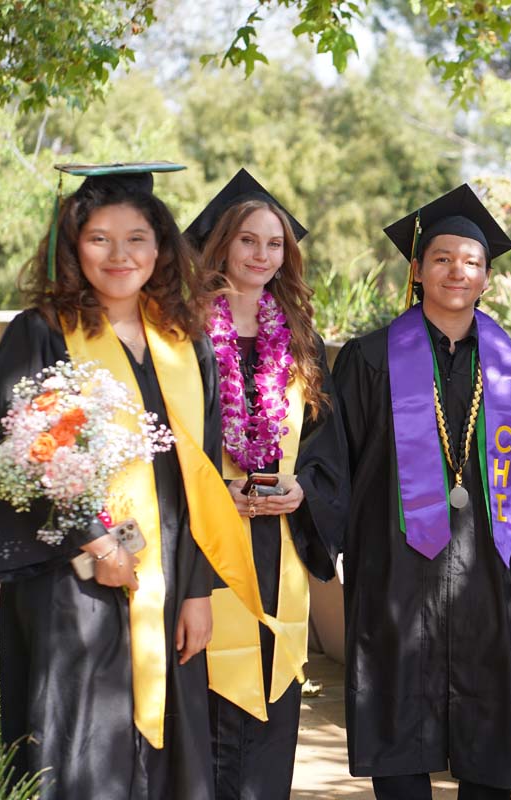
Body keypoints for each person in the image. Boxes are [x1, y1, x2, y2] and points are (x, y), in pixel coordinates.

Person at [0, 162, 265, 799]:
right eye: (99, 239)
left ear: (160, 250)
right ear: (74, 248)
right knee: (82, 743)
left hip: (168, 576)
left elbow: (200, 479)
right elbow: (21, 456)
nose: (119, 255)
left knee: (169, 757)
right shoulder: (41, 333)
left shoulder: (184, 342)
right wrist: (98, 544)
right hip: (73, 581)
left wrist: (196, 592)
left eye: (136, 239)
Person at [329, 184, 511, 800]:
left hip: (486, 568)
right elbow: (338, 458)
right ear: (417, 270)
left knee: (488, 712)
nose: (458, 271)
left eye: (471, 261)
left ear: (487, 277)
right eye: (442, 258)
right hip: (394, 565)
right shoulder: (369, 359)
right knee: (397, 703)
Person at [185, 168, 343, 800]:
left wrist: (304, 490)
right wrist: (215, 492)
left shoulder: (301, 339)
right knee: (208, 695)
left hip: (279, 540)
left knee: (273, 685)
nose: (261, 255)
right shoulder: (185, 336)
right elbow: (171, 436)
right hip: (208, 539)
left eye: (274, 244)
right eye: (247, 240)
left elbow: (327, 446)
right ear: (222, 245)